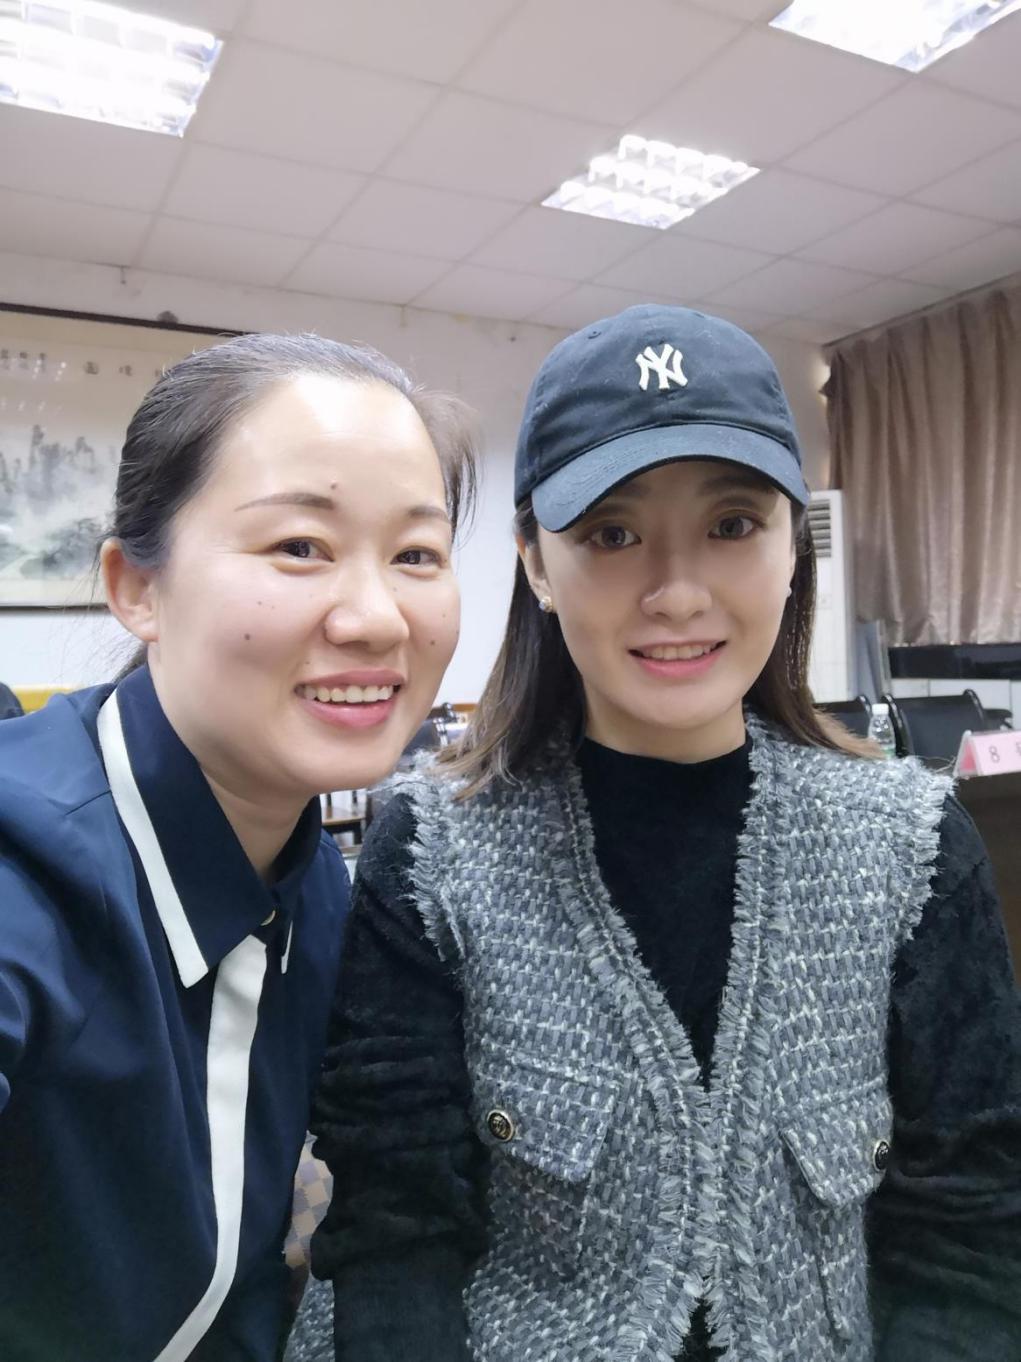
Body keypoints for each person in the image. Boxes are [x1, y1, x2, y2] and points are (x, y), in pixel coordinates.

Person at [308, 306, 1021, 1362]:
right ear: (535, 564)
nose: (677, 594)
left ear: (792, 548)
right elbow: (393, 1233)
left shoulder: (911, 845)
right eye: (611, 534)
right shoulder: (432, 854)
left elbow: (970, 1228)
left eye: (732, 524)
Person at [0, 332, 475, 1361]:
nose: (376, 618)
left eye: (416, 555)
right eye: (299, 546)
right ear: (137, 587)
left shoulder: (323, 888)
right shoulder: (26, 867)